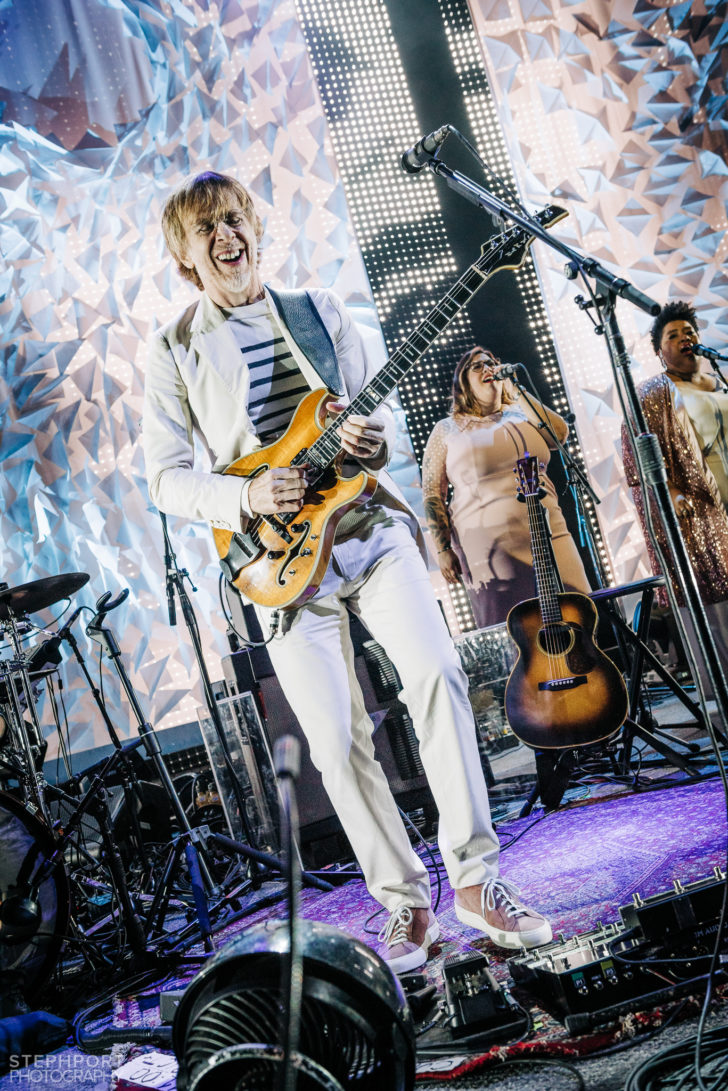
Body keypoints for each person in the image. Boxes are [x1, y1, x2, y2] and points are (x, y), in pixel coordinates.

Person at [143, 170, 552, 972]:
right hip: (279, 562)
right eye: (206, 228)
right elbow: (165, 479)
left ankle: (477, 882)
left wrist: (375, 438)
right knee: (335, 739)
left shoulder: (319, 309)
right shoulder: (173, 349)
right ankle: (405, 904)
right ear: (186, 255)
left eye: (235, 219)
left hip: (367, 527)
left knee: (436, 674)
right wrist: (248, 492)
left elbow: (380, 412)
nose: (226, 236)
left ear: (255, 228)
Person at [422, 346, 590, 628]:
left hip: (550, 531)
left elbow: (559, 435)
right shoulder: (447, 429)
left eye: (491, 363)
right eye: (477, 366)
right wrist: (442, 549)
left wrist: (516, 389)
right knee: (515, 632)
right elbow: (432, 493)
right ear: (463, 383)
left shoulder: (522, 414)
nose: (488, 368)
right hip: (489, 547)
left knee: (577, 614)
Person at [621, 300, 728, 675]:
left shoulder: (719, 381)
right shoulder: (651, 394)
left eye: (689, 332)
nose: (685, 338)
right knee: (714, 600)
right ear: (658, 351)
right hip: (696, 513)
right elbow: (638, 461)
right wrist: (670, 493)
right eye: (673, 335)